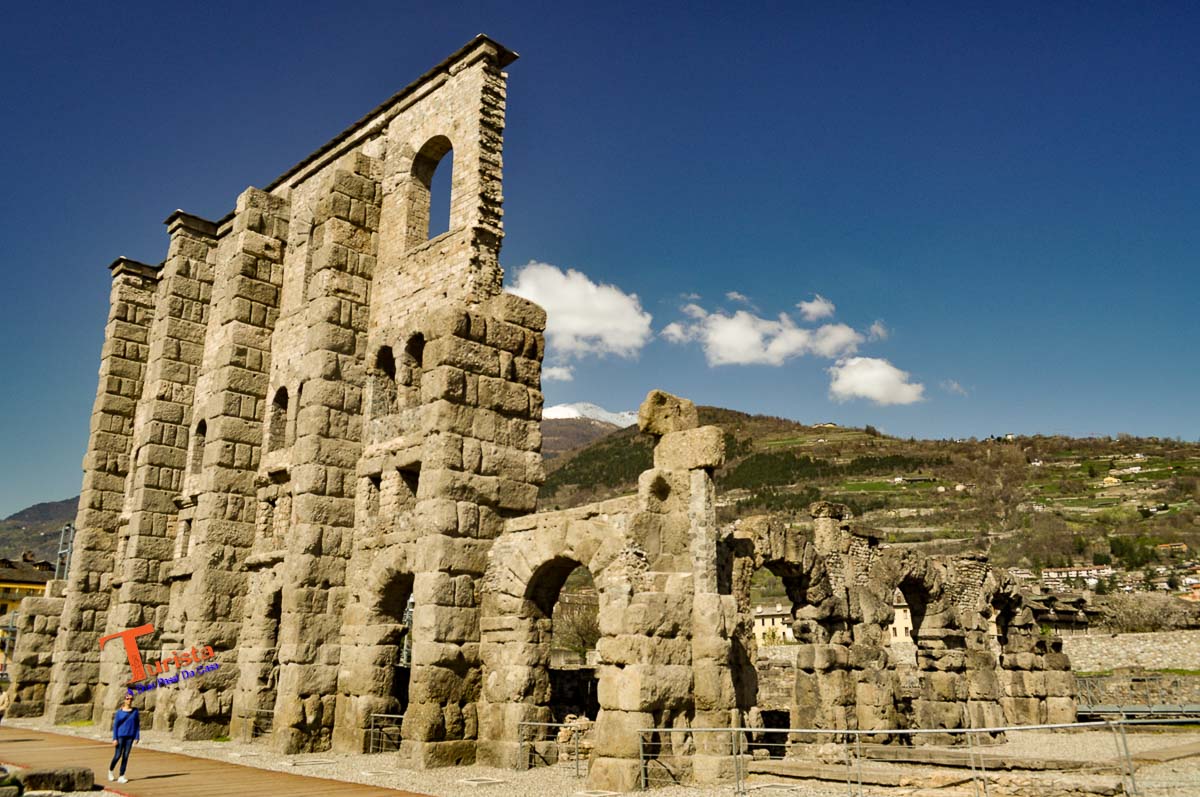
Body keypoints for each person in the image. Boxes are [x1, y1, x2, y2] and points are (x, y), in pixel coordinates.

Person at [109, 693, 140, 783]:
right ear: (124, 700)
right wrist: (114, 738)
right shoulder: (119, 712)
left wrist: (137, 737)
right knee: (117, 755)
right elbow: (115, 726)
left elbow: (137, 725)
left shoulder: (135, 711)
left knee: (125, 756)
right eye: (127, 698)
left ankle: (121, 775)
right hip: (120, 736)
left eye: (131, 699)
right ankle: (111, 770)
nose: (129, 700)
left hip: (130, 736)